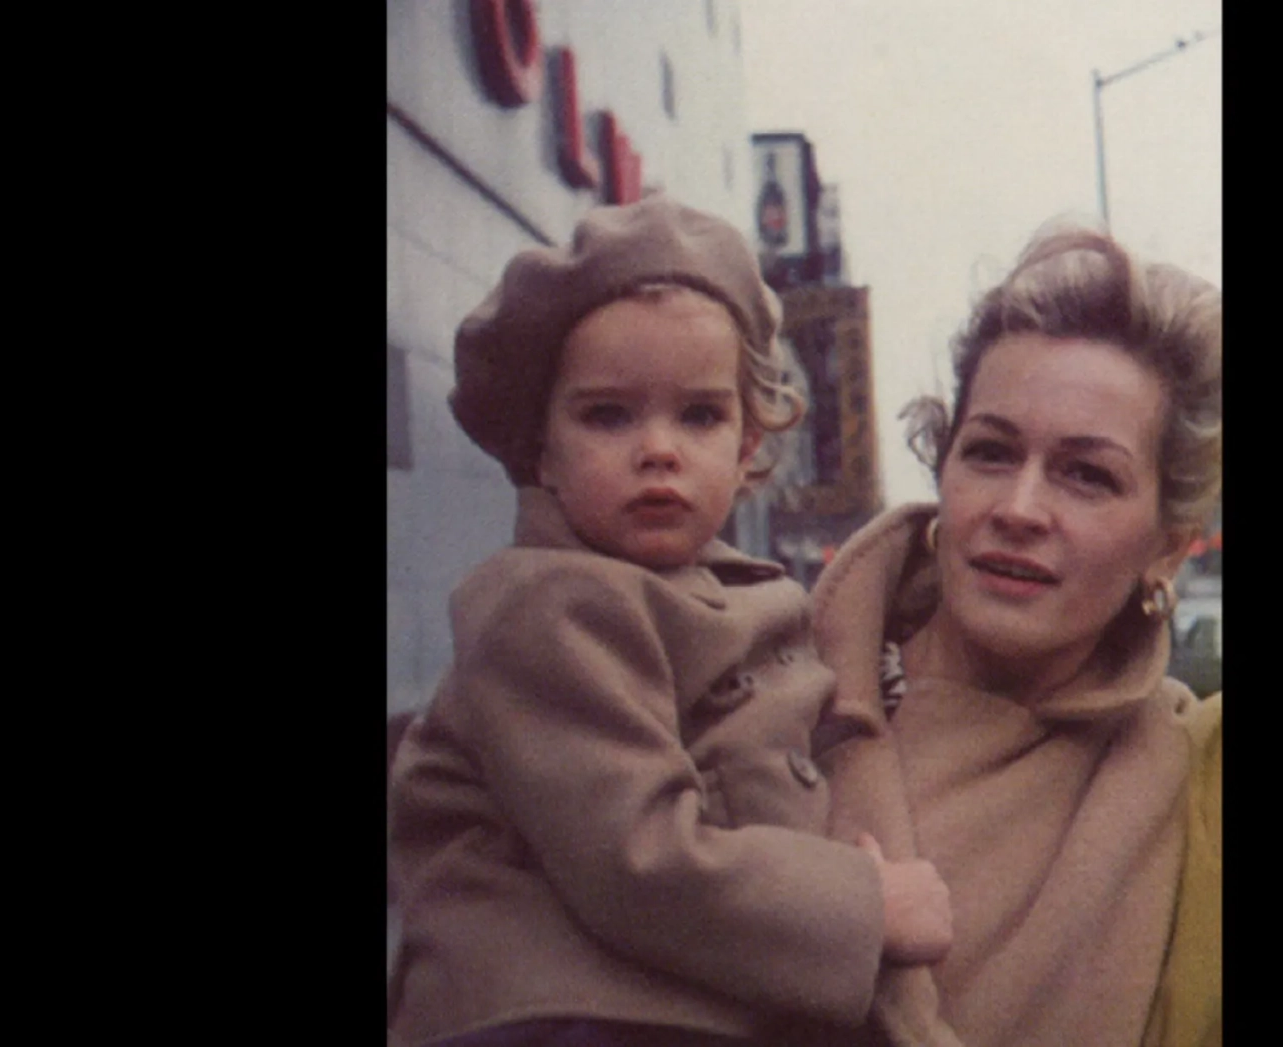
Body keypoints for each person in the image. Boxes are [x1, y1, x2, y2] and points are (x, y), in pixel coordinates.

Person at [386, 195, 953, 1047]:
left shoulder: (717, 591)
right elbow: (638, 857)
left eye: (699, 414)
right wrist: (866, 907)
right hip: (554, 1013)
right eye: (607, 414)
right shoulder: (547, 605)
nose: (659, 448)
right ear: (539, 446)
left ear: (747, 441)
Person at [797, 223, 1223, 1047]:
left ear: (1167, 545)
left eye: (1086, 474)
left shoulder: (1189, 783)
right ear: (943, 468)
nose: (1019, 509)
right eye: (990, 452)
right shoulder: (754, 686)